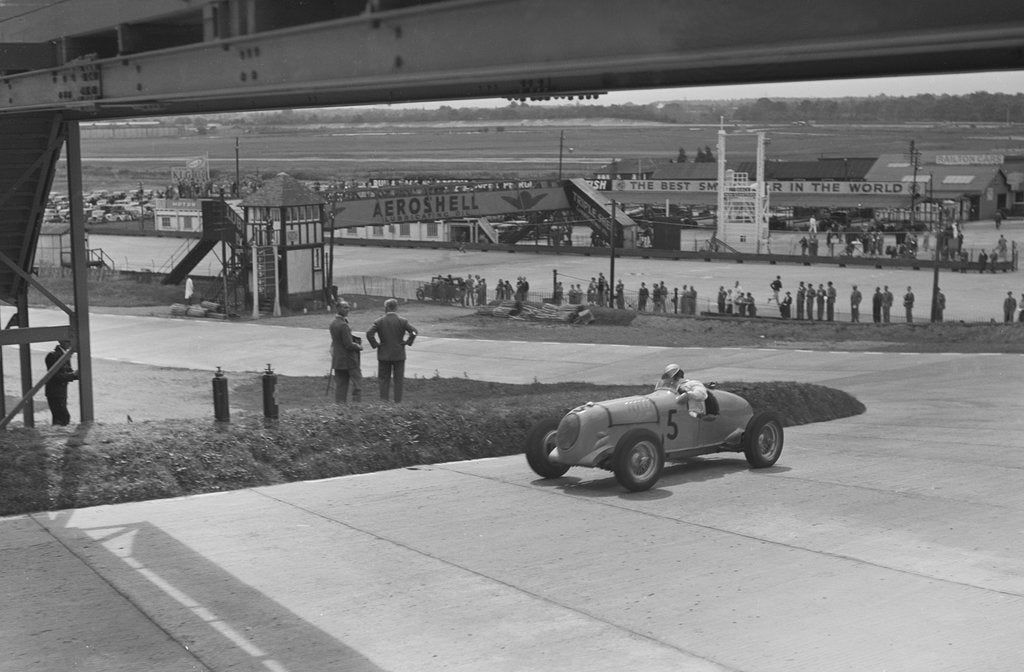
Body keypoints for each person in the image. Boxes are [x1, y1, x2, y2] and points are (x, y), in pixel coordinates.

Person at [366, 298, 418, 403]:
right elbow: (414, 332)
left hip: (384, 354)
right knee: (398, 380)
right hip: (398, 354)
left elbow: (369, 333)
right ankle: (398, 402)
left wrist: (376, 344)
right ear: (396, 307)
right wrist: (407, 342)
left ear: (386, 308)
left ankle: (384, 402)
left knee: (384, 380)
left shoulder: (379, 321)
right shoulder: (402, 321)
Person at [329, 299, 363, 403]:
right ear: (338, 308)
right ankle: (356, 406)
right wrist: (358, 346)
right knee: (357, 384)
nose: (348, 309)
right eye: (345, 307)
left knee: (341, 385)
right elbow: (348, 344)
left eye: (348, 307)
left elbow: (336, 341)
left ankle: (340, 407)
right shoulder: (343, 325)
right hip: (349, 360)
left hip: (338, 360)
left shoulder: (333, 323)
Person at [44, 339, 79, 426]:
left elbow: (67, 371)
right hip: (54, 392)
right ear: (60, 341)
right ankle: (57, 434)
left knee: (60, 417)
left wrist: (75, 375)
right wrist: (73, 375)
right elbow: (55, 376)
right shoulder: (53, 355)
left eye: (70, 341)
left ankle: (56, 433)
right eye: (67, 341)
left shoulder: (64, 354)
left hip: (60, 391)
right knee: (62, 417)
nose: (69, 344)